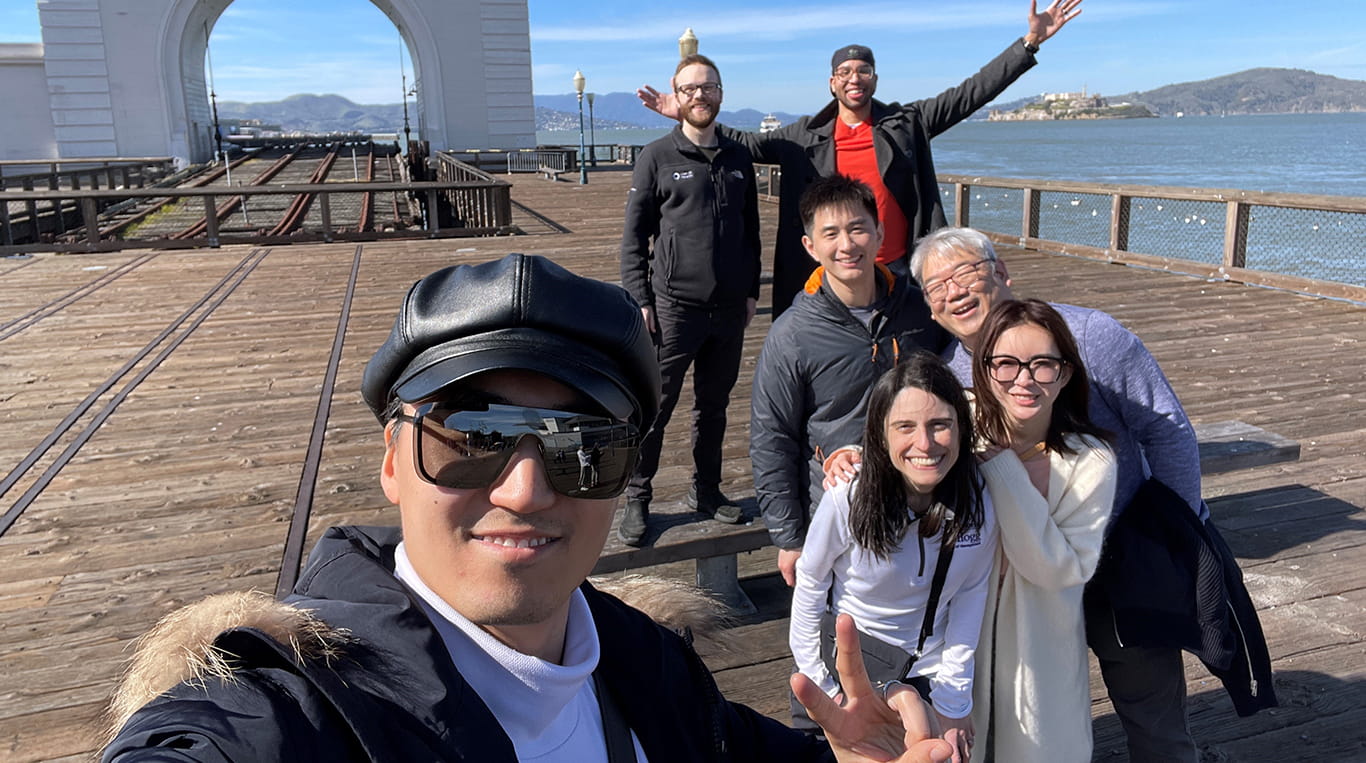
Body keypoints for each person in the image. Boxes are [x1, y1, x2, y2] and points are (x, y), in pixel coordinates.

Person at [99, 253, 954, 763]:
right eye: (470, 436)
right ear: (392, 460)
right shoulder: (288, 714)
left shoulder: (652, 670)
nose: (523, 489)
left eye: (585, 446)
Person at [830, 227, 1276, 760]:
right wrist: (854, 454)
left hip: (1121, 551)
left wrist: (1178, 534)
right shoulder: (950, 375)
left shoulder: (1088, 336)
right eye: (937, 286)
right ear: (929, 306)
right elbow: (916, 438)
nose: (955, 292)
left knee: (1151, 706)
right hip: (1020, 573)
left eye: (966, 272)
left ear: (1001, 272)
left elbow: (1167, 430)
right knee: (1026, 712)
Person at [638, 0, 1083, 316]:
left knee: (909, 359)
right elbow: (746, 143)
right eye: (845, 72)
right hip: (836, 271)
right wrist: (690, 112)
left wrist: (1028, 44)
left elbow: (970, 93)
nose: (855, 78)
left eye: (863, 70)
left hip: (899, 268)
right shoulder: (803, 136)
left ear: (874, 79)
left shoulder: (907, 123)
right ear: (832, 83)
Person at [791, 353, 995, 763]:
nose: (925, 444)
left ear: (961, 428)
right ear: (880, 434)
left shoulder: (978, 502)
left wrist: (954, 702)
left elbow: (969, 597)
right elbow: (810, 584)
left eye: (940, 425)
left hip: (927, 675)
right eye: (905, 427)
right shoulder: (847, 498)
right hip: (847, 671)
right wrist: (824, 688)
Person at [751, 175, 946, 588]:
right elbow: (772, 436)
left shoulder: (921, 310)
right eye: (831, 234)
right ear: (810, 247)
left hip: (925, 502)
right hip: (839, 507)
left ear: (880, 233)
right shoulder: (792, 333)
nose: (846, 245)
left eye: (858, 229)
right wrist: (788, 536)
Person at [619, 53, 761, 546]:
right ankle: (638, 495)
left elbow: (751, 232)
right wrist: (640, 298)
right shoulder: (657, 156)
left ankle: (707, 489)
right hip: (673, 308)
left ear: (721, 93)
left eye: (708, 87)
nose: (700, 95)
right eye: (690, 88)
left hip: (729, 310)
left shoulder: (738, 157)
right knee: (655, 406)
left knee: (714, 407)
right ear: (677, 96)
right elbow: (634, 236)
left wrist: (751, 290)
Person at [968, 298, 1116, 762]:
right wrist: (851, 456)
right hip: (956, 636)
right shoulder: (957, 423)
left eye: (1042, 365)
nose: (1024, 379)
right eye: (1006, 363)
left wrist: (1002, 470)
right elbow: (902, 441)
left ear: (1066, 373)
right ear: (984, 368)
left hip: (1041, 649)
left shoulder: (1089, 460)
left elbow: (1061, 568)